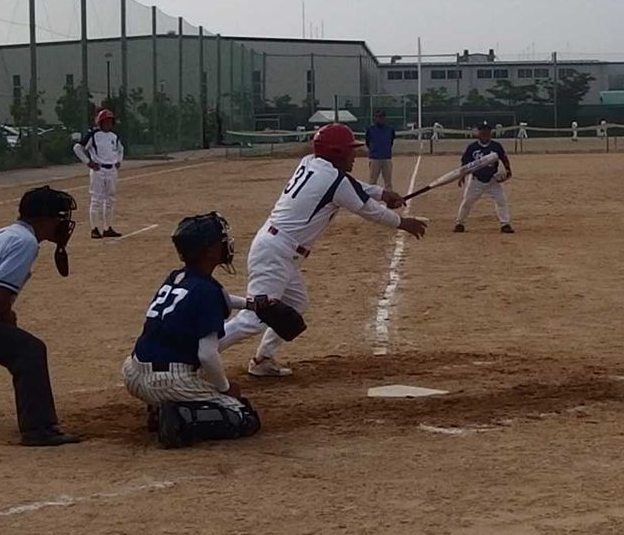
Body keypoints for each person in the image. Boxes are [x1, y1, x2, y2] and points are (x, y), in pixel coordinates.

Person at [219, 124, 427, 376]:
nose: (354, 156)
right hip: (277, 251)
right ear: (335, 152)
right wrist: (402, 222)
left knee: (296, 304)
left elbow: (352, 186)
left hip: (278, 248)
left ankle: (263, 359)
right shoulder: (335, 180)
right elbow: (367, 209)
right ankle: (193, 354)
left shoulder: (312, 163)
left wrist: (382, 193)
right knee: (255, 319)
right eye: (349, 151)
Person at [0, 186, 82, 446]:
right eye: (58, 217)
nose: (62, 224)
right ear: (43, 219)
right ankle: (38, 429)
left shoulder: (6, 232)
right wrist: (7, 318)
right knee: (30, 351)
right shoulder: (25, 242)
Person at [123, 212, 262, 449]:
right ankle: (179, 418)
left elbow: (218, 297)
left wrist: (252, 305)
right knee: (242, 417)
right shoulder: (207, 292)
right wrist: (225, 388)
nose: (226, 243)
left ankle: (161, 406)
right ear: (209, 252)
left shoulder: (178, 277)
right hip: (168, 380)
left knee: (186, 383)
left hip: (133, 373)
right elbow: (206, 355)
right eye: (220, 240)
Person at [454, 121, 515, 234]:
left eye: (487, 131)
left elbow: (504, 158)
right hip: (476, 180)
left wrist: (508, 170)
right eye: (483, 131)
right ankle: (460, 223)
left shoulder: (496, 146)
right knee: (467, 202)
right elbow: (465, 162)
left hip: (492, 179)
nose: (485, 133)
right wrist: (462, 175)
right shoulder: (472, 147)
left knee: (501, 200)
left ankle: (505, 224)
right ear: (479, 132)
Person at [74, 108, 124, 238]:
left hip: (112, 170)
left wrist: (119, 160)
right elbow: (78, 148)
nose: (108, 124)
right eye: (105, 121)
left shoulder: (114, 136)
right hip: (98, 170)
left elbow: (120, 149)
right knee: (96, 199)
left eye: (110, 121)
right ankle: (94, 229)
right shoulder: (93, 135)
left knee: (110, 199)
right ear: (100, 122)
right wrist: (88, 162)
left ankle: (107, 228)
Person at [364, 110, 396, 191]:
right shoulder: (370, 129)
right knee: (372, 181)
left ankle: (389, 196)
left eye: (381, 117)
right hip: (374, 158)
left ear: (384, 118)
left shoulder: (390, 129)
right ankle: (371, 196)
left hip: (386, 158)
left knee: (388, 182)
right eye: (378, 117)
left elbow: (391, 141)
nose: (380, 119)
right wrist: (373, 150)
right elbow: (367, 142)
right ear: (375, 118)